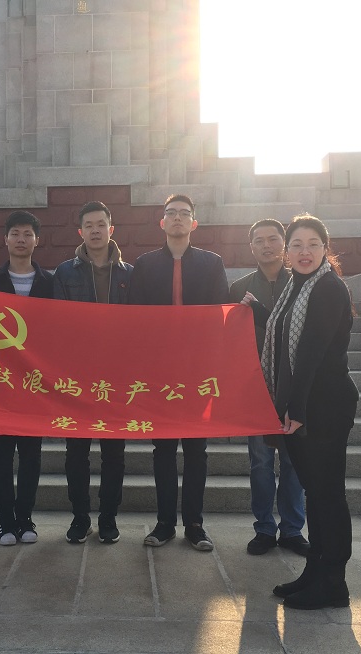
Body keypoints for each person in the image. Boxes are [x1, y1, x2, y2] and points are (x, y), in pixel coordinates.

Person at [240, 214, 359, 610]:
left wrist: (295, 408)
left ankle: (334, 583)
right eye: (297, 245)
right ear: (287, 252)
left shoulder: (327, 287)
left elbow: (310, 351)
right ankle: (316, 571)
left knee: (328, 495)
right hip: (308, 405)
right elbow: (283, 330)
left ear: (325, 248)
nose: (304, 252)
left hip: (324, 408)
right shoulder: (298, 286)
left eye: (313, 244)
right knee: (316, 493)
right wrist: (257, 310)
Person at [128, 193, 228, 552]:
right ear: (162, 222)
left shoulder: (212, 263)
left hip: (197, 370)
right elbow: (135, 316)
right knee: (164, 448)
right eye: (171, 213)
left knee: (197, 448)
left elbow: (219, 314)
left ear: (194, 223)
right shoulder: (144, 265)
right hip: (159, 371)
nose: (177, 218)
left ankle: (195, 524)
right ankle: (165, 523)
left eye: (184, 213)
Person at [53, 201, 132, 544]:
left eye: (101, 224)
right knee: (76, 453)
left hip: (117, 377)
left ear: (111, 229)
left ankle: (109, 518)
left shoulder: (130, 274)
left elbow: (142, 326)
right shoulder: (64, 273)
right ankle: (80, 517)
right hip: (78, 377)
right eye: (89, 225)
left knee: (114, 454)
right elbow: (57, 323)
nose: (96, 230)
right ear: (80, 232)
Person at [229, 220, 309, 557]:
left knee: (293, 462)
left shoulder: (303, 284)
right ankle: (263, 528)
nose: (267, 245)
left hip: (294, 385)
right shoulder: (239, 289)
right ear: (251, 247)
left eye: (273, 239)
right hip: (256, 387)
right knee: (261, 462)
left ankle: (292, 529)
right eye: (259, 240)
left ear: (284, 244)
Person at [0, 210, 54, 545]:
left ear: (37, 240)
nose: (21, 240)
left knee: (31, 455)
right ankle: (5, 522)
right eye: (15, 234)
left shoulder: (50, 283)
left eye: (28, 234)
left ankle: (25, 519)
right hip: (1, 382)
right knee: (1, 454)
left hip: (36, 382)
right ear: (5, 239)